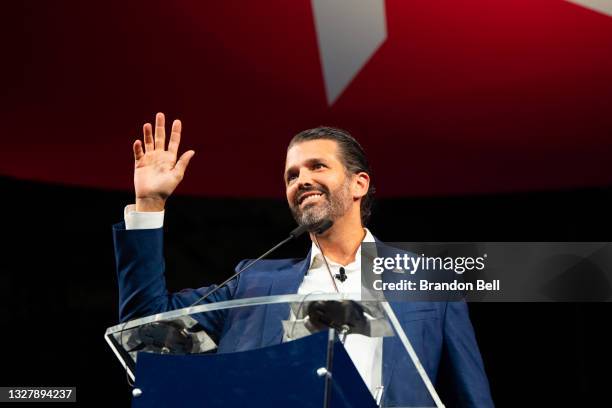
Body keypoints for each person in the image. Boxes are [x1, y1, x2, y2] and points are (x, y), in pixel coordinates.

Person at [113, 112, 494, 407]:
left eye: (317, 167)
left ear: (359, 183)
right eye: (291, 175)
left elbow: (471, 396)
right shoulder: (254, 282)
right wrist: (150, 204)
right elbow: (144, 331)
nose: (301, 180)